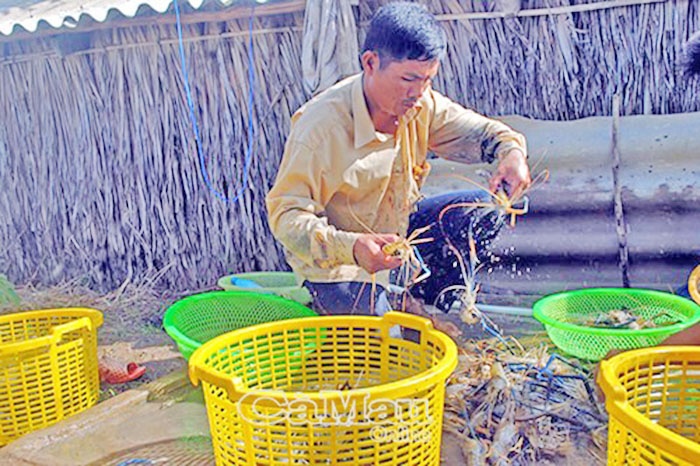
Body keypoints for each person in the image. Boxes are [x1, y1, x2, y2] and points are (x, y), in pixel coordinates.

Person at [265, 2, 531, 325]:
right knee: (385, 338)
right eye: (408, 79)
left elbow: (484, 132)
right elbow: (285, 216)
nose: (418, 93)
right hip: (341, 264)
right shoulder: (320, 128)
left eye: (427, 80)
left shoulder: (422, 104)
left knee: (482, 211)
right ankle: (368, 307)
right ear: (370, 63)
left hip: (398, 243)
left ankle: (417, 299)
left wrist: (511, 153)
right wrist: (351, 247)